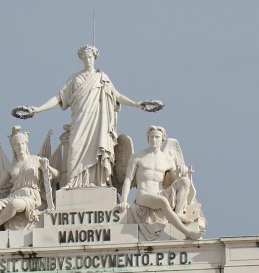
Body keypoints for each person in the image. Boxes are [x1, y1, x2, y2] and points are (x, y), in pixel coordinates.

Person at [12, 44, 162, 189]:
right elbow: (59, 97)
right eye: (85, 57)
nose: (88, 60)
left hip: (98, 121)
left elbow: (117, 96)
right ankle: (73, 181)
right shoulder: (74, 79)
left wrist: (137, 104)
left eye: (90, 57)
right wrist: (38, 109)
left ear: (94, 58)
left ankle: (99, 182)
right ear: (81, 59)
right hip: (80, 120)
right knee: (75, 148)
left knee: (98, 149)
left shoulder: (102, 77)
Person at [119, 126, 202, 240]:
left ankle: (177, 213)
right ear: (147, 138)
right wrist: (123, 201)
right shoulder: (138, 157)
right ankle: (187, 232)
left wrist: (182, 169)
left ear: (162, 139)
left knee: (184, 182)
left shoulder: (167, 159)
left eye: (157, 137)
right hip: (143, 196)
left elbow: (175, 179)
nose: (154, 140)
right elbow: (128, 179)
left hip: (160, 194)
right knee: (162, 201)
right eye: (151, 137)